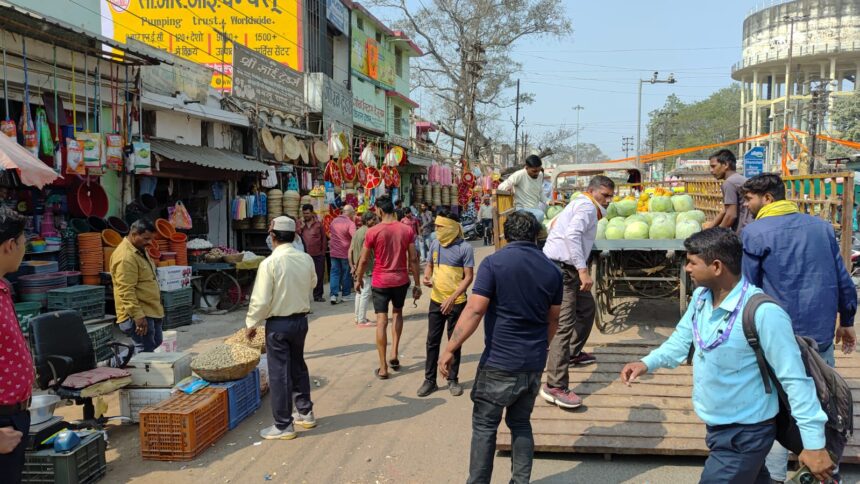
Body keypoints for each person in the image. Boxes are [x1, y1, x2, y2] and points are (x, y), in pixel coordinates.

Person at [620, 228, 835, 483]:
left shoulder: (763, 313)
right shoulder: (701, 298)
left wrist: (814, 445)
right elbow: (682, 340)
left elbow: (795, 379)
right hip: (718, 425)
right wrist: (647, 363)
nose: (686, 268)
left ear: (717, 267)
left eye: (692, 262)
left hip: (746, 433)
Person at [740, 174, 857, 482]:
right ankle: (826, 472)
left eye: (749, 199)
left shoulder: (753, 233)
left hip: (776, 339)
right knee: (823, 401)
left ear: (767, 198)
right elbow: (842, 278)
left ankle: (776, 477)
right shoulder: (820, 228)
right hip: (819, 337)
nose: (746, 205)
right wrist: (846, 321)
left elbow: (747, 290)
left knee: (779, 408)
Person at [438, 211, 561, 484]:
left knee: (484, 426)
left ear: (505, 235)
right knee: (520, 424)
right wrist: (542, 347)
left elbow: (474, 310)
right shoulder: (553, 270)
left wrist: (450, 348)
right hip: (532, 363)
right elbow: (553, 319)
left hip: (499, 363)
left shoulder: (494, 263)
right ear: (535, 235)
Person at [541, 176, 615, 409]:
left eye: (611, 196)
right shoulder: (586, 206)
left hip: (565, 266)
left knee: (587, 308)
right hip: (566, 270)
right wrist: (583, 271)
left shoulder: (580, 204)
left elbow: (554, 225)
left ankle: (572, 353)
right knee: (564, 325)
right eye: (604, 195)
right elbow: (571, 235)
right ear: (591, 191)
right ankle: (554, 385)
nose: (608, 200)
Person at [246, 216, 317, 440]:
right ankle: (305, 412)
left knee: (279, 374)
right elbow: (313, 283)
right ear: (295, 236)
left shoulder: (270, 263)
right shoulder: (305, 259)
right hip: (300, 321)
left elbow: (261, 299)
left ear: (272, 236)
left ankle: (283, 424)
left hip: (278, 324)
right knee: (298, 365)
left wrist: (251, 323)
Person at [354, 195, 422, 380]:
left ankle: (383, 368)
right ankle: (394, 354)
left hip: (380, 281)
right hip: (400, 280)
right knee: (397, 314)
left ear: (380, 211)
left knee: (381, 321)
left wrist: (358, 280)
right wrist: (417, 283)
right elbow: (413, 258)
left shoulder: (373, 231)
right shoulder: (406, 230)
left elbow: (364, 259)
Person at [418, 210, 475, 398]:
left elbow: (468, 278)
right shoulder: (435, 244)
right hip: (436, 301)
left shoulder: (464, 248)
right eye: (436, 227)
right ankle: (430, 380)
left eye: (440, 227)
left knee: (455, 341)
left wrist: (452, 298)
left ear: (451, 227)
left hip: (457, 303)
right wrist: (426, 277)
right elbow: (430, 265)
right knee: (431, 341)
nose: (437, 230)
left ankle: (452, 379)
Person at [0, 208, 33, 483]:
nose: (24, 250)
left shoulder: (3, 288)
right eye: (23, 243)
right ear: (10, 245)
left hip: (14, 417)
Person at [110, 219, 165, 353]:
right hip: (138, 312)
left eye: (151, 239)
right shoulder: (126, 257)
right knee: (144, 349)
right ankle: (115, 365)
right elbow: (125, 290)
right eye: (146, 238)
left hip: (150, 308)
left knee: (155, 342)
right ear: (134, 234)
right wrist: (138, 316)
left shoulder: (139, 248)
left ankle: (118, 362)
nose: (149, 242)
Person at [702, 149, 751, 233]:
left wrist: (716, 235)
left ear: (725, 165)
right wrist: (711, 227)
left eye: (713, 166)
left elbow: (731, 215)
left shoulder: (729, 183)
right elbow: (726, 209)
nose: (711, 170)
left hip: (742, 233)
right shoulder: (739, 179)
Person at [349, 211, 379, 328]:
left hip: (358, 266)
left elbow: (350, 250)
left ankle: (358, 317)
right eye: (374, 219)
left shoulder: (357, 232)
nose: (376, 221)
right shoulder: (368, 232)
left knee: (359, 293)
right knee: (365, 292)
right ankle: (361, 319)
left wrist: (353, 265)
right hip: (366, 267)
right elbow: (365, 252)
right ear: (368, 221)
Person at [498, 154, 546, 222]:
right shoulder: (519, 174)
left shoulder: (540, 175)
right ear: (526, 168)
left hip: (535, 210)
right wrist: (509, 187)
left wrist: (548, 201)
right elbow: (500, 187)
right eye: (534, 171)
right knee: (540, 214)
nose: (537, 173)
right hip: (521, 210)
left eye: (539, 170)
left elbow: (540, 192)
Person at [297, 205, 326, 302]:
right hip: (304, 255)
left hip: (318, 255)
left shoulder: (318, 224)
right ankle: (304, 297)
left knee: (319, 275)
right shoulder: (301, 224)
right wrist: (300, 228)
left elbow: (324, 239)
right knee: (304, 277)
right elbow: (296, 237)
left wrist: (322, 253)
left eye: (307, 213)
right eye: (304, 213)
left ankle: (318, 295)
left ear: (312, 213)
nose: (305, 215)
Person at [328, 205, 356, 304]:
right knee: (345, 274)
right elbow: (355, 238)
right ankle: (345, 294)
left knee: (334, 273)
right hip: (345, 253)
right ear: (350, 213)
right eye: (353, 213)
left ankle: (333, 295)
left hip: (334, 252)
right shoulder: (350, 223)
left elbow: (331, 235)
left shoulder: (334, 221)